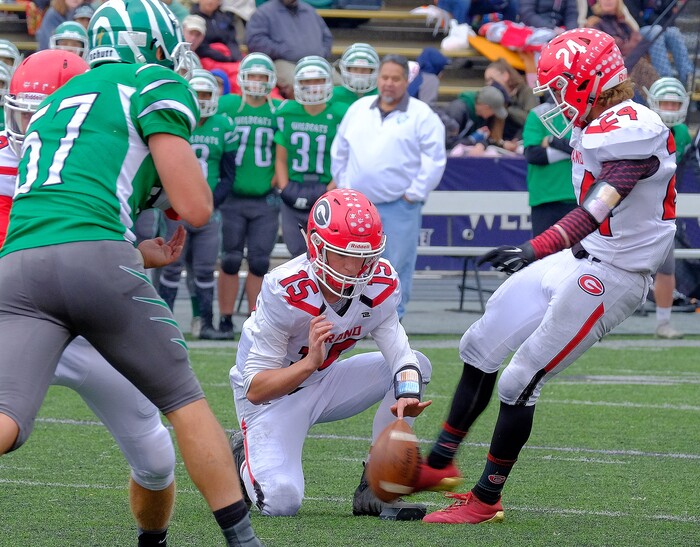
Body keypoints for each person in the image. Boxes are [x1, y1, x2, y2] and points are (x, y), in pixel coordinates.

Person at [0, 1, 261, 544]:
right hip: (96, 259)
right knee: (185, 403)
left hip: (18, 267)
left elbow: (65, 210)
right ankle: (243, 540)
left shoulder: (53, 106)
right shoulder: (149, 82)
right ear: (156, 45)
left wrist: (140, 246)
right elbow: (194, 208)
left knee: (6, 419)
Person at [412, 28, 677, 524]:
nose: (553, 99)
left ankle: (486, 499)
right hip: (580, 255)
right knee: (480, 341)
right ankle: (439, 463)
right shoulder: (597, 118)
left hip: (616, 273)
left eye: (559, 87)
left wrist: (534, 247)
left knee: (519, 378)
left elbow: (600, 207)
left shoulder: (633, 130)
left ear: (588, 82)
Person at [1, 50, 182, 546]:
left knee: (155, 456)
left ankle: (153, 541)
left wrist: (135, 256)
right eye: (24, 111)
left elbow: (88, 252)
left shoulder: (107, 151)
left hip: (90, 324)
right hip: (13, 316)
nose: (30, 125)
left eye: (44, 111)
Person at [229, 188, 433, 517]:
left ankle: (374, 488)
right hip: (272, 401)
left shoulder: (379, 283)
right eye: (345, 255)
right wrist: (310, 363)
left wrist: (407, 394)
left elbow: (401, 354)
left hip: (326, 382)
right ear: (317, 247)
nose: (358, 267)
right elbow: (255, 389)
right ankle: (242, 450)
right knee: (281, 502)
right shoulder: (285, 289)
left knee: (415, 368)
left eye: (367, 256)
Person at [331, 54, 446, 320]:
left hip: (399, 205)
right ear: (377, 79)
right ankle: (349, 319)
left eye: (396, 78)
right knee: (351, 264)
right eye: (384, 77)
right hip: (357, 206)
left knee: (397, 265)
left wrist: (413, 195)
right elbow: (340, 151)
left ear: (407, 81)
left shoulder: (421, 114)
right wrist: (345, 188)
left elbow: (435, 158)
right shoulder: (359, 109)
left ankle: (394, 318)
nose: (389, 84)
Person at [157, 68, 236, 340]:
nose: (202, 100)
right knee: (170, 265)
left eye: (206, 94)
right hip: (176, 207)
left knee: (204, 268)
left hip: (208, 209)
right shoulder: (177, 120)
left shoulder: (224, 125)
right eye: (197, 94)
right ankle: (163, 324)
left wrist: (210, 202)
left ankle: (205, 322)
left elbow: (228, 174)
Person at [216, 52, 283, 336]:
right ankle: (224, 319)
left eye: (262, 76)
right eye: (252, 75)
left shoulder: (280, 110)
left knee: (259, 261)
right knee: (230, 259)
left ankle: (253, 320)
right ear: (242, 77)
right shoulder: (227, 105)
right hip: (232, 196)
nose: (256, 81)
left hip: (265, 198)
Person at [275, 55, 346, 257]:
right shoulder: (286, 111)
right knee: (296, 252)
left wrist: (329, 188)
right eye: (307, 81)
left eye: (318, 81)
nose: (313, 86)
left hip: (328, 188)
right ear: (297, 84)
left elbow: (346, 158)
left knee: (327, 253)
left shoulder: (341, 113)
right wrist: (284, 187)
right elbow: (281, 156)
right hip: (294, 185)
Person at [644, 76, 692, 339]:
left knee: (666, 266)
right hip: (635, 203)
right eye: (666, 103)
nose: (670, 110)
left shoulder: (682, 133)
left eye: (675, 105)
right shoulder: (643, 125)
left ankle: (663, 323)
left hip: (664, 208)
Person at [245, 0, 333, 98]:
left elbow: (327, 37)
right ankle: (297, 112)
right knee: (299, 85)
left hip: (316, 62)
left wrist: (322, 52)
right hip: (283, 62)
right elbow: (256, 41)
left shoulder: (309, 10)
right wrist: (284, 51)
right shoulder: (263, 13)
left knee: (338, 84)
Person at [522, 97, 576, 237]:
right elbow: (533, 155)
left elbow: (587, 148)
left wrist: (553, 140)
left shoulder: (585, 112)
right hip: (545, 198)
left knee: (578, 256)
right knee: (545, 256)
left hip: (578, 198)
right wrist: (571, 151)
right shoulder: (539, 113)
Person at [586, 0, 659, 100]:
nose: (608, 1)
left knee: (642, 63)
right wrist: (629, 44)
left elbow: (639, 41)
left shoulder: (623, 22)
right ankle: (655, 98)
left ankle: (657, 98)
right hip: (611, 69)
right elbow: (608, 48)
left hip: (632, 65)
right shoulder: (594, 23)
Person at [624, 0, 694, 89]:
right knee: (656, 31)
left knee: (674, 32)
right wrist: (651, 18)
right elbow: (636, 17)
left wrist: (648, 15)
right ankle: (666, 80)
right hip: (639, 30)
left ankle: (688, 76)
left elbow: (670, 18)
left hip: (662, 27)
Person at [484, 58, 539, 142]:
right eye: (487, 81)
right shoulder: (494, 97)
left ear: (505, 75)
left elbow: (530, 119)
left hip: (522, 141)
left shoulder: (526, 92)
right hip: (501, 145)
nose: (489, 84)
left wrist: (507, 107)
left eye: (492, 79)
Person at [332, 42, 379, 107]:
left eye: (364, 69)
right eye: (355, 69)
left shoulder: (381, 96)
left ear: (372, 71)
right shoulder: (333, 95)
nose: (359, 74)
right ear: (347, 69)